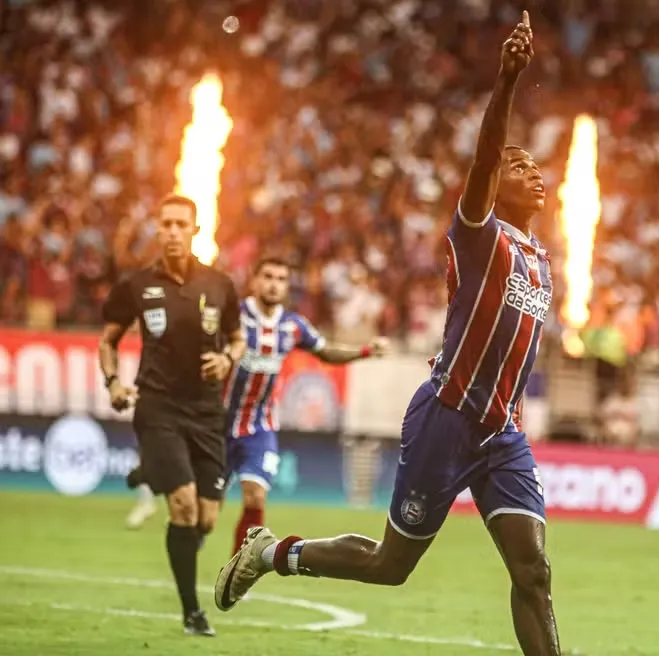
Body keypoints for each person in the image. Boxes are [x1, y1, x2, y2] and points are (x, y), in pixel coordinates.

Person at [215, 12, 562, 655]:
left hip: (502, 433)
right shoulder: (480, 237)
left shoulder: (541, 260)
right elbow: (486, 153)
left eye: (535, 166)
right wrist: (507, 82)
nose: (532, 172)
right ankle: (273, 554)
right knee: (390, 566)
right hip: (447, 419)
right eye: (519, 165)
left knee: (533, 571)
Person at [100, 194, 245, 636]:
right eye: (166, 224)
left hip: (206, 414)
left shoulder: (220, 284)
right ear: (158, 230)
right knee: (182, 509)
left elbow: (238, 339)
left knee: (206, 519)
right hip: (158, 407)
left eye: (182, 224)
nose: (174, 232)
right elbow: (108, 341)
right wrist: (113, 384)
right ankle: (191, 614)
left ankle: (149, 471)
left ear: (196, 230)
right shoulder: (136, 285)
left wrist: (227, 359)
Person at [225, 254, 388, 555]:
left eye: (281, 279)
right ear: (254, 280)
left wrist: (364, 351)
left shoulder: (292, 326)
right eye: (268, 277)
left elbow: (326, 351)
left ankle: (237, 569)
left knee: (255, 498)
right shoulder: (233, 317)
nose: (274, 285)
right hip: (216, 425)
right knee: (202, 515)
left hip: (259, 425)